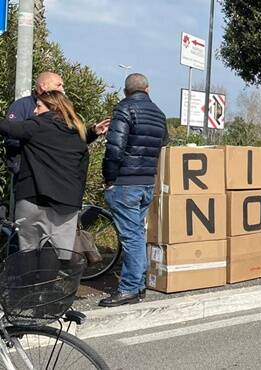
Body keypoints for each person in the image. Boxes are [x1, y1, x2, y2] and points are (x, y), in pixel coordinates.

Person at [0, 90, 107, 252]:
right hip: (67, 203)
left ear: (53, 108)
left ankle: (33, 278)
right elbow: (71, 145)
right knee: (63, 257)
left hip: (32, 198)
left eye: (39, 106)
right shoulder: (76, 132)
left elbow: (8, 128)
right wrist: (92, 132)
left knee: (28, 255)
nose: (35, 111)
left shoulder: (36, 126)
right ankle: (59, 278)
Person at [99, 73, 168, 307]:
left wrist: (109, 179)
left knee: (131, 238)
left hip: (125, 183)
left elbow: (115, 148)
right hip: (147, 182)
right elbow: (163, 145)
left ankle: (128, 288)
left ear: (125, 91)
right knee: (137, 234)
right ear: (147, 89)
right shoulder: (159, 114)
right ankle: (138, 286)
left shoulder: (123, 109)